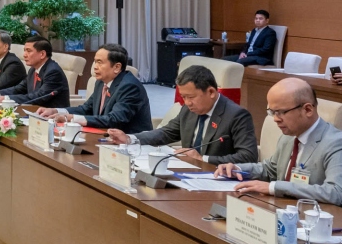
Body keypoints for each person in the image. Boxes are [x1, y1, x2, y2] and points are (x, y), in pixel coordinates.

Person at [217, 78, 342, 204]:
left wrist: (273, 187)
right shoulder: (289, 136)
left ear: (308, 110)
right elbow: (271, 169)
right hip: (281, 207)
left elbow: (336, 192)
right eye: (272, 112)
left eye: (281, 112)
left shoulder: (335, 143)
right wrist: (237, 169)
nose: (275, 119)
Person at [108, 65, 256, 165]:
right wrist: (130, 138)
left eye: (191, 97)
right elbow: (166, 132)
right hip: (187, 173)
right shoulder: (188, 110)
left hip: (218, 178)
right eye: (183, 97)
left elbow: (248, 156)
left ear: (211, 92)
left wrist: (202, 158)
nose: (187, 103)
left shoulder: (236, 115)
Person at [38, 43, 151, 135]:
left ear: (117, 67)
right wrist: (56, 111)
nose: (95, 67)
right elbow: (86, 109)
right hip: (103, 136)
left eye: (100, 62)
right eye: (95, 61)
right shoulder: (101, 82)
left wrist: (72, 118)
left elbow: (114, 120)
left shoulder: (130, 87)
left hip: (131, 144)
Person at [0, 36, 69, 108]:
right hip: (34, 110)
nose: (24, 55)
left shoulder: (53, 72)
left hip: (52, 113)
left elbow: (39, 97)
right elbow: (19, 88)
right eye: (24, 51)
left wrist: (6, 98)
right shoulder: (32, 70)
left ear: (42, 54)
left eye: (29, 51)